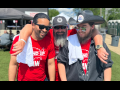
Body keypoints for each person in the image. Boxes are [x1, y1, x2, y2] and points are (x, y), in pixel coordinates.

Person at [57, 10, 113, 81]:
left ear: (92, 26)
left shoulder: (100, 45)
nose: (80, 30)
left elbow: (107, 66)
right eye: (78, 27)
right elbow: (61, 62)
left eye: (83, 27)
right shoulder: (68, 42)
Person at [9, 13, 55, 81]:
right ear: (33, 25)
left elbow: (51, 64)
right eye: (41, 27)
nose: (45, 30)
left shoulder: (49, 41)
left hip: (42, 79)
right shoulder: (19, 40)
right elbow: (13, 64)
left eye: (47, 28)